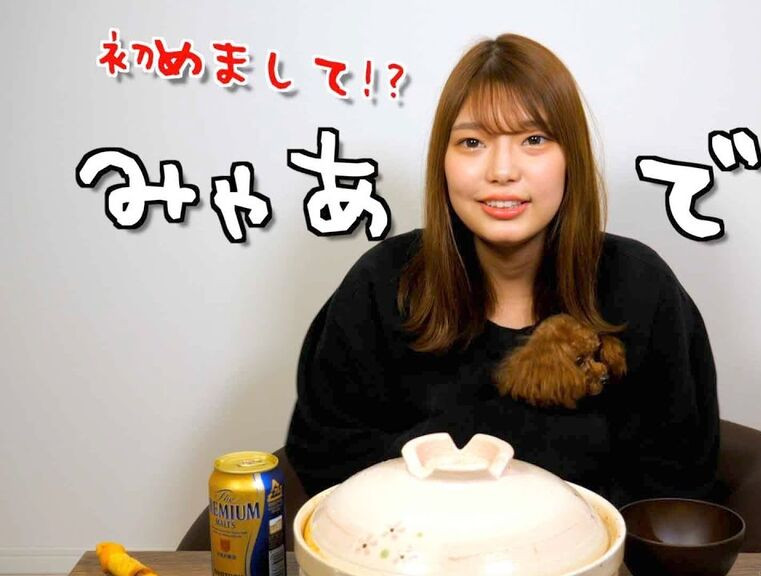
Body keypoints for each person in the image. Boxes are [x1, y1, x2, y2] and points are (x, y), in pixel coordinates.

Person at [285, 33, 720, 508]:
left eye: (534, 139)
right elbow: (326, 452)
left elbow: (677, 477)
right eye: (472, 142)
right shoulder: (384, 282)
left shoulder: (640, 286)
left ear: (571, 157)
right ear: (443, 161)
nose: (503, 170)